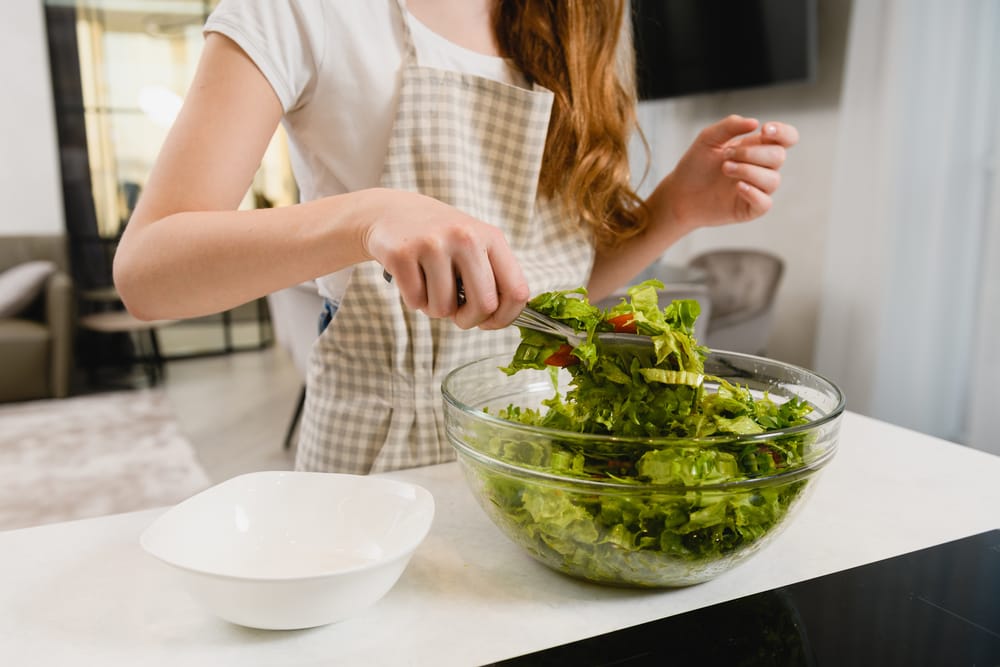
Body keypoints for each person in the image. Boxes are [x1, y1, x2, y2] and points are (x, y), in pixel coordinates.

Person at [113, 0, 799, 474]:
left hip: (543, 456)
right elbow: (149, 271)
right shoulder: (304, 10)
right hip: (377, 469)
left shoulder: (588, 19)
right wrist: (369, 216)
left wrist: (675, 206)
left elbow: (543, 292)